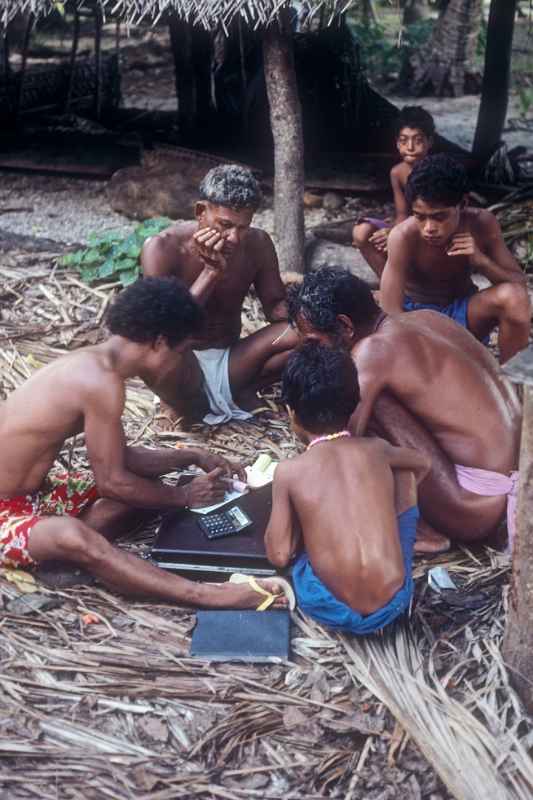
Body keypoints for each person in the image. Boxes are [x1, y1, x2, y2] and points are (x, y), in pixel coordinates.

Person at [0, 278, 287, 610]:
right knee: (73, 535)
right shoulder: (100, 381)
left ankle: (59, 554)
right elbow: (112, 483)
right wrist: (183, 496)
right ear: (159, 343)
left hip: (34, 497)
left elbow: (123, 460)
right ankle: (207, 594)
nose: (180, 363)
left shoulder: (96, 365)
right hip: (5, 512)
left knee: (144, 489)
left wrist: (193, 456)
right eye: (181, 353)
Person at [288, 268, 522, 552]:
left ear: (345, 326)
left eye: (314, 342)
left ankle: (420, 531)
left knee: (352, 407)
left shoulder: (373, 352)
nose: (313, 351)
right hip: (514, 481)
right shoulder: (426, 318)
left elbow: (337, 447)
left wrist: (302, 431)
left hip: (477, 506)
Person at [264, 341, 430, 634]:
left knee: (301, 525)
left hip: (329, 606)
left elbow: (278, 555)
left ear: (291, 413)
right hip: (394, 602)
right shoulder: (377, 449)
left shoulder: (288, 471)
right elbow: (423, 465)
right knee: (402, 473)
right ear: (353, 404)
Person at [141, 163, 298, 427]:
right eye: (225, 225)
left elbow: (275, 309)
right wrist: (210, 273)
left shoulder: (257, 244)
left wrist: (311, 309)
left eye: (243, 227)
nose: (234, 238)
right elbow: (164, 331)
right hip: (181, 367)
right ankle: (175, 403)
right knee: (156, 350)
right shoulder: (162, 248)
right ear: (201, 212)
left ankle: (243, 389)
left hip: (233, 362)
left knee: (311, 331)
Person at [380, 153, 530, 363]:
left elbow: (520, 285)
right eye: (420, 217)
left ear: (462, 204)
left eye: (440, 216)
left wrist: (481, 261)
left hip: (464, 315)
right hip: (417, 319)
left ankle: (509, 383)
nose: (429, 228)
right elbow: (390, 312)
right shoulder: (403, 236)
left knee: (515, 298)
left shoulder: (482, 223)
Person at [352, 106, 435, 279]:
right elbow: (402, 213)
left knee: (396, 239)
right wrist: (392, 231)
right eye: (404, 141)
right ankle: (390, 284)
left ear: (430, 142)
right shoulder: (397, 172)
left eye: (418, 141)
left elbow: (434, 215)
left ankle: (412, 287)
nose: (410, 147)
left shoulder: (437, 170)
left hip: (431, 228)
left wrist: (396, 233)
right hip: (407, 224)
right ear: (397, 143)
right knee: (362, 233)